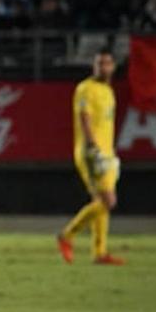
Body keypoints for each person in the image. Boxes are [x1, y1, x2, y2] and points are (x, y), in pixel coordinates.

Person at [57, 48, 124, 266]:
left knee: (101, 202)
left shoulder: (108, 91)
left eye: (106, 63)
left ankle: (100, 253)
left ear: (113, 66)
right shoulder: (85, 88)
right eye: (99, 63)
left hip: (106, 152)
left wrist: (109, 150)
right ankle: (67, 234)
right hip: (90, 152)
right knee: (108, 201)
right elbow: (84, 118)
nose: (102, 67)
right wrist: (93, 147)